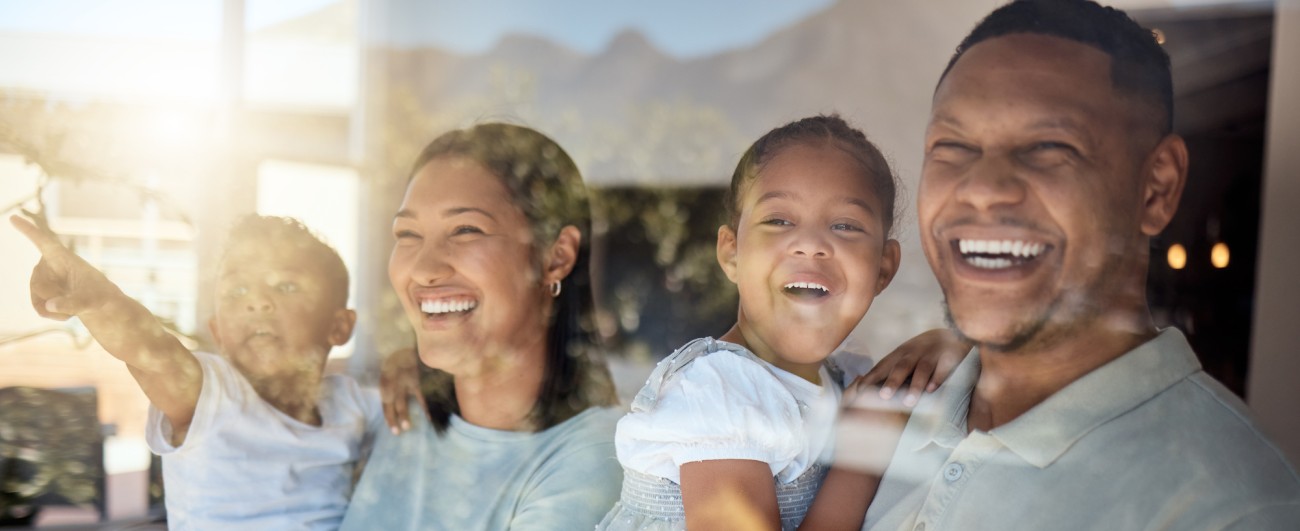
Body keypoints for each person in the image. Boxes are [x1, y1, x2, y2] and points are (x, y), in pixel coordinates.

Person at [857, 1, 1300, 529]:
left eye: (1048, 146)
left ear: (1156, 188)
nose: (981, 189)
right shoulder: (895, 404)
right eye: (952, 145)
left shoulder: (1231, 511)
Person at [597, 114, 959, 531]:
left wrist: (942, 342)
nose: (810, 244)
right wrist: (864, 450)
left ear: (883, 267)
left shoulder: (846, 377)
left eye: (845, 225)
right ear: (731, 252)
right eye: (779, 220)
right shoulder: (719, 394)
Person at [10, 213, 383, 530]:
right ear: (218, 333)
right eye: (237, 291)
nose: (257, 302)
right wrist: (102, 301)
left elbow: (426, 405)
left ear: (339, 326)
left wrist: (404, 367)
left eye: (286, 286)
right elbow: (151, 352)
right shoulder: (213, 395)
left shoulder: (353, 404)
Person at [340, 123, 622, 530]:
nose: (424, 268)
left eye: (466, 230)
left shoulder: (592, 462)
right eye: (408, 233)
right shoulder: (399, 415)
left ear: (556, 256)